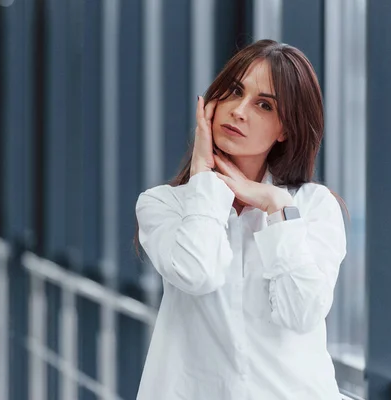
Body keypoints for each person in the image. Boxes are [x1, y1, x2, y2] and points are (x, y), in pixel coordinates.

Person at [135, 39, 347, 400]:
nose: (239, 111)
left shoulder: (313, 208)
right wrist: (204, 177)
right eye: (234, 91)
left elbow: (302, 312)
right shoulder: (163, 204)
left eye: (263, 105)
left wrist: (276, 206)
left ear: (286, 130)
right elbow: (197, 272)